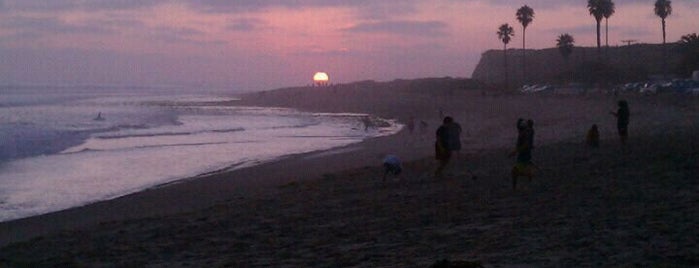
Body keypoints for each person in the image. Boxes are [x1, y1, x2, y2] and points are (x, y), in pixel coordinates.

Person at [510, 118, 534, 190]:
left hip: (523, 156)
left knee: (515, 171)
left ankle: (515, 188)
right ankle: (529, 175)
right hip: (524, 156)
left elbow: (525, 145)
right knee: (518, 171)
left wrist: (515, 151)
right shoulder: (528, 132)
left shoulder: (524, 134)